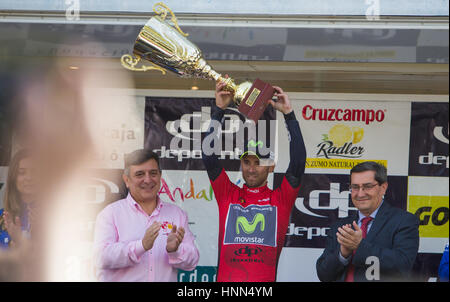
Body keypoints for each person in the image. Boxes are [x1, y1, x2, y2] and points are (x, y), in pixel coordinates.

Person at [201, 79, 306, 281]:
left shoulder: (280, 198)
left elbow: (299, 162)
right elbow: (208, 156)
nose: (250, 168)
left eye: (257, 162)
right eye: (246, 161)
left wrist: (289, 115)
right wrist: (219, 110)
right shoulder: (228, 194)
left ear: (271, 166)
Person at [93, 149, 199, 281]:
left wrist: (175, 251)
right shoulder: (111, 214)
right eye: (139, 174)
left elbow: (193, 261)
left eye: (153, 173)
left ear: (160, 176)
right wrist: (141, 246)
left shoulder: (177, 214)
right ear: (127, 180)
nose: (148, 180)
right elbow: (101, 257)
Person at [316, 161, 420, 282]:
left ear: (383, 188)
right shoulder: (339, 226)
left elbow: (402, 266)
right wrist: (343, 253)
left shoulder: (404, 221)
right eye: (355, 187)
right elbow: (324, 275)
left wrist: (359, 246)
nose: (360, 193)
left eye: (368, 186)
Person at [1, 149, 35, 249]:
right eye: (22, 172)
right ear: (13, 178)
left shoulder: (55, 217)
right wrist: (11, 244)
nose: (29, 177)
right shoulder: (3, 218)